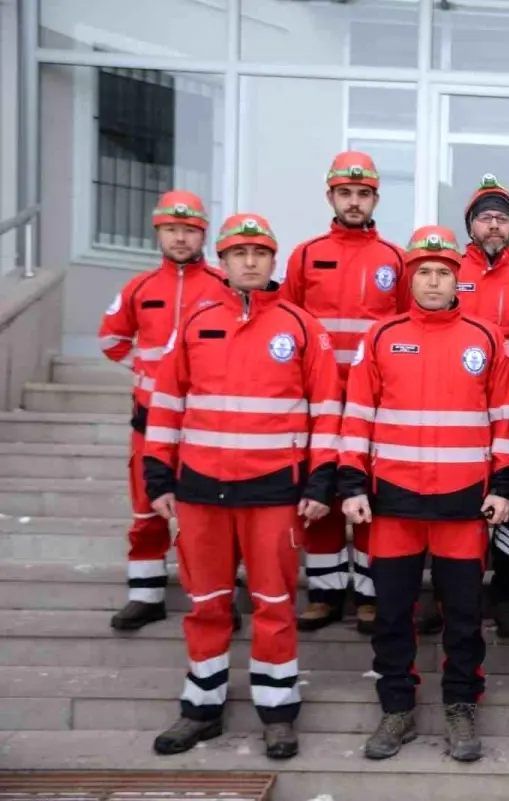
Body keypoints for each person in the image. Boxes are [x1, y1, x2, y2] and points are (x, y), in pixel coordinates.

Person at [142, 213, 342, 759]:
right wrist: (158, 473)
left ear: (273, 261)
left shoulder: (303, 327)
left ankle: (277, 713)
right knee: (205, 604)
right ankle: (199, 708)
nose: (249, 263)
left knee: (274, 605)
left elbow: (327, 411)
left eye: (259, 253)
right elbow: (166, 404)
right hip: (200, 490)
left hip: (274, 491)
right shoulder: (195, 322)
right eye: (238, 254)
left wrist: (321, 479)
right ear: (222, 262)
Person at [339, 226, 509, 763]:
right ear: (410, 278)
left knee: (463, 615)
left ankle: (461, 704)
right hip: (392, 501)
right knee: (393, 613)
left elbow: (504, 419)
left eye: (443, 272)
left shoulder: (486, 339)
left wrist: (504, 484)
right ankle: (397, 706)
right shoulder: (380, 336)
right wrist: (351, 483)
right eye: (425, 272)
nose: (435, 280)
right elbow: (357, 418)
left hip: (464, 503)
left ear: (457, 279)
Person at [416, 174, 509, 639]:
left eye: (502, 218)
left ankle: (507, 595)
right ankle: (443, 594)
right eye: (485, 218)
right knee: (454, 503)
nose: (494, 226)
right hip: (460, 406)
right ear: (470, 225)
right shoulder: (450, 270)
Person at [281, 150, 409, 635]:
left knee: (369, 494)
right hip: (317, 398)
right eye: (345, 193)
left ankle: (369, 595)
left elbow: (401, 327)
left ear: (375, 198)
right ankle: (325, 592)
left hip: (374, 399)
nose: (353, 202)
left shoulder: (395, 259)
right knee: (323, 493)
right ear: (330, 196)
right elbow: (288, 322)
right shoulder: (306, 254)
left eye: (362, 194)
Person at [97, 190, 227, 631]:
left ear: (202, 234)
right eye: (172, 229)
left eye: (189, 230)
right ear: (158, 233)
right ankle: (146, 595)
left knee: (206, 516)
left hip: (202, 424)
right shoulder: (139, 288)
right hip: (149, 421)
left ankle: (215, 597)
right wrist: (147, 371)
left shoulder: (222, 286)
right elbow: (110, 339)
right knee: (146, 509)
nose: (180, 237)